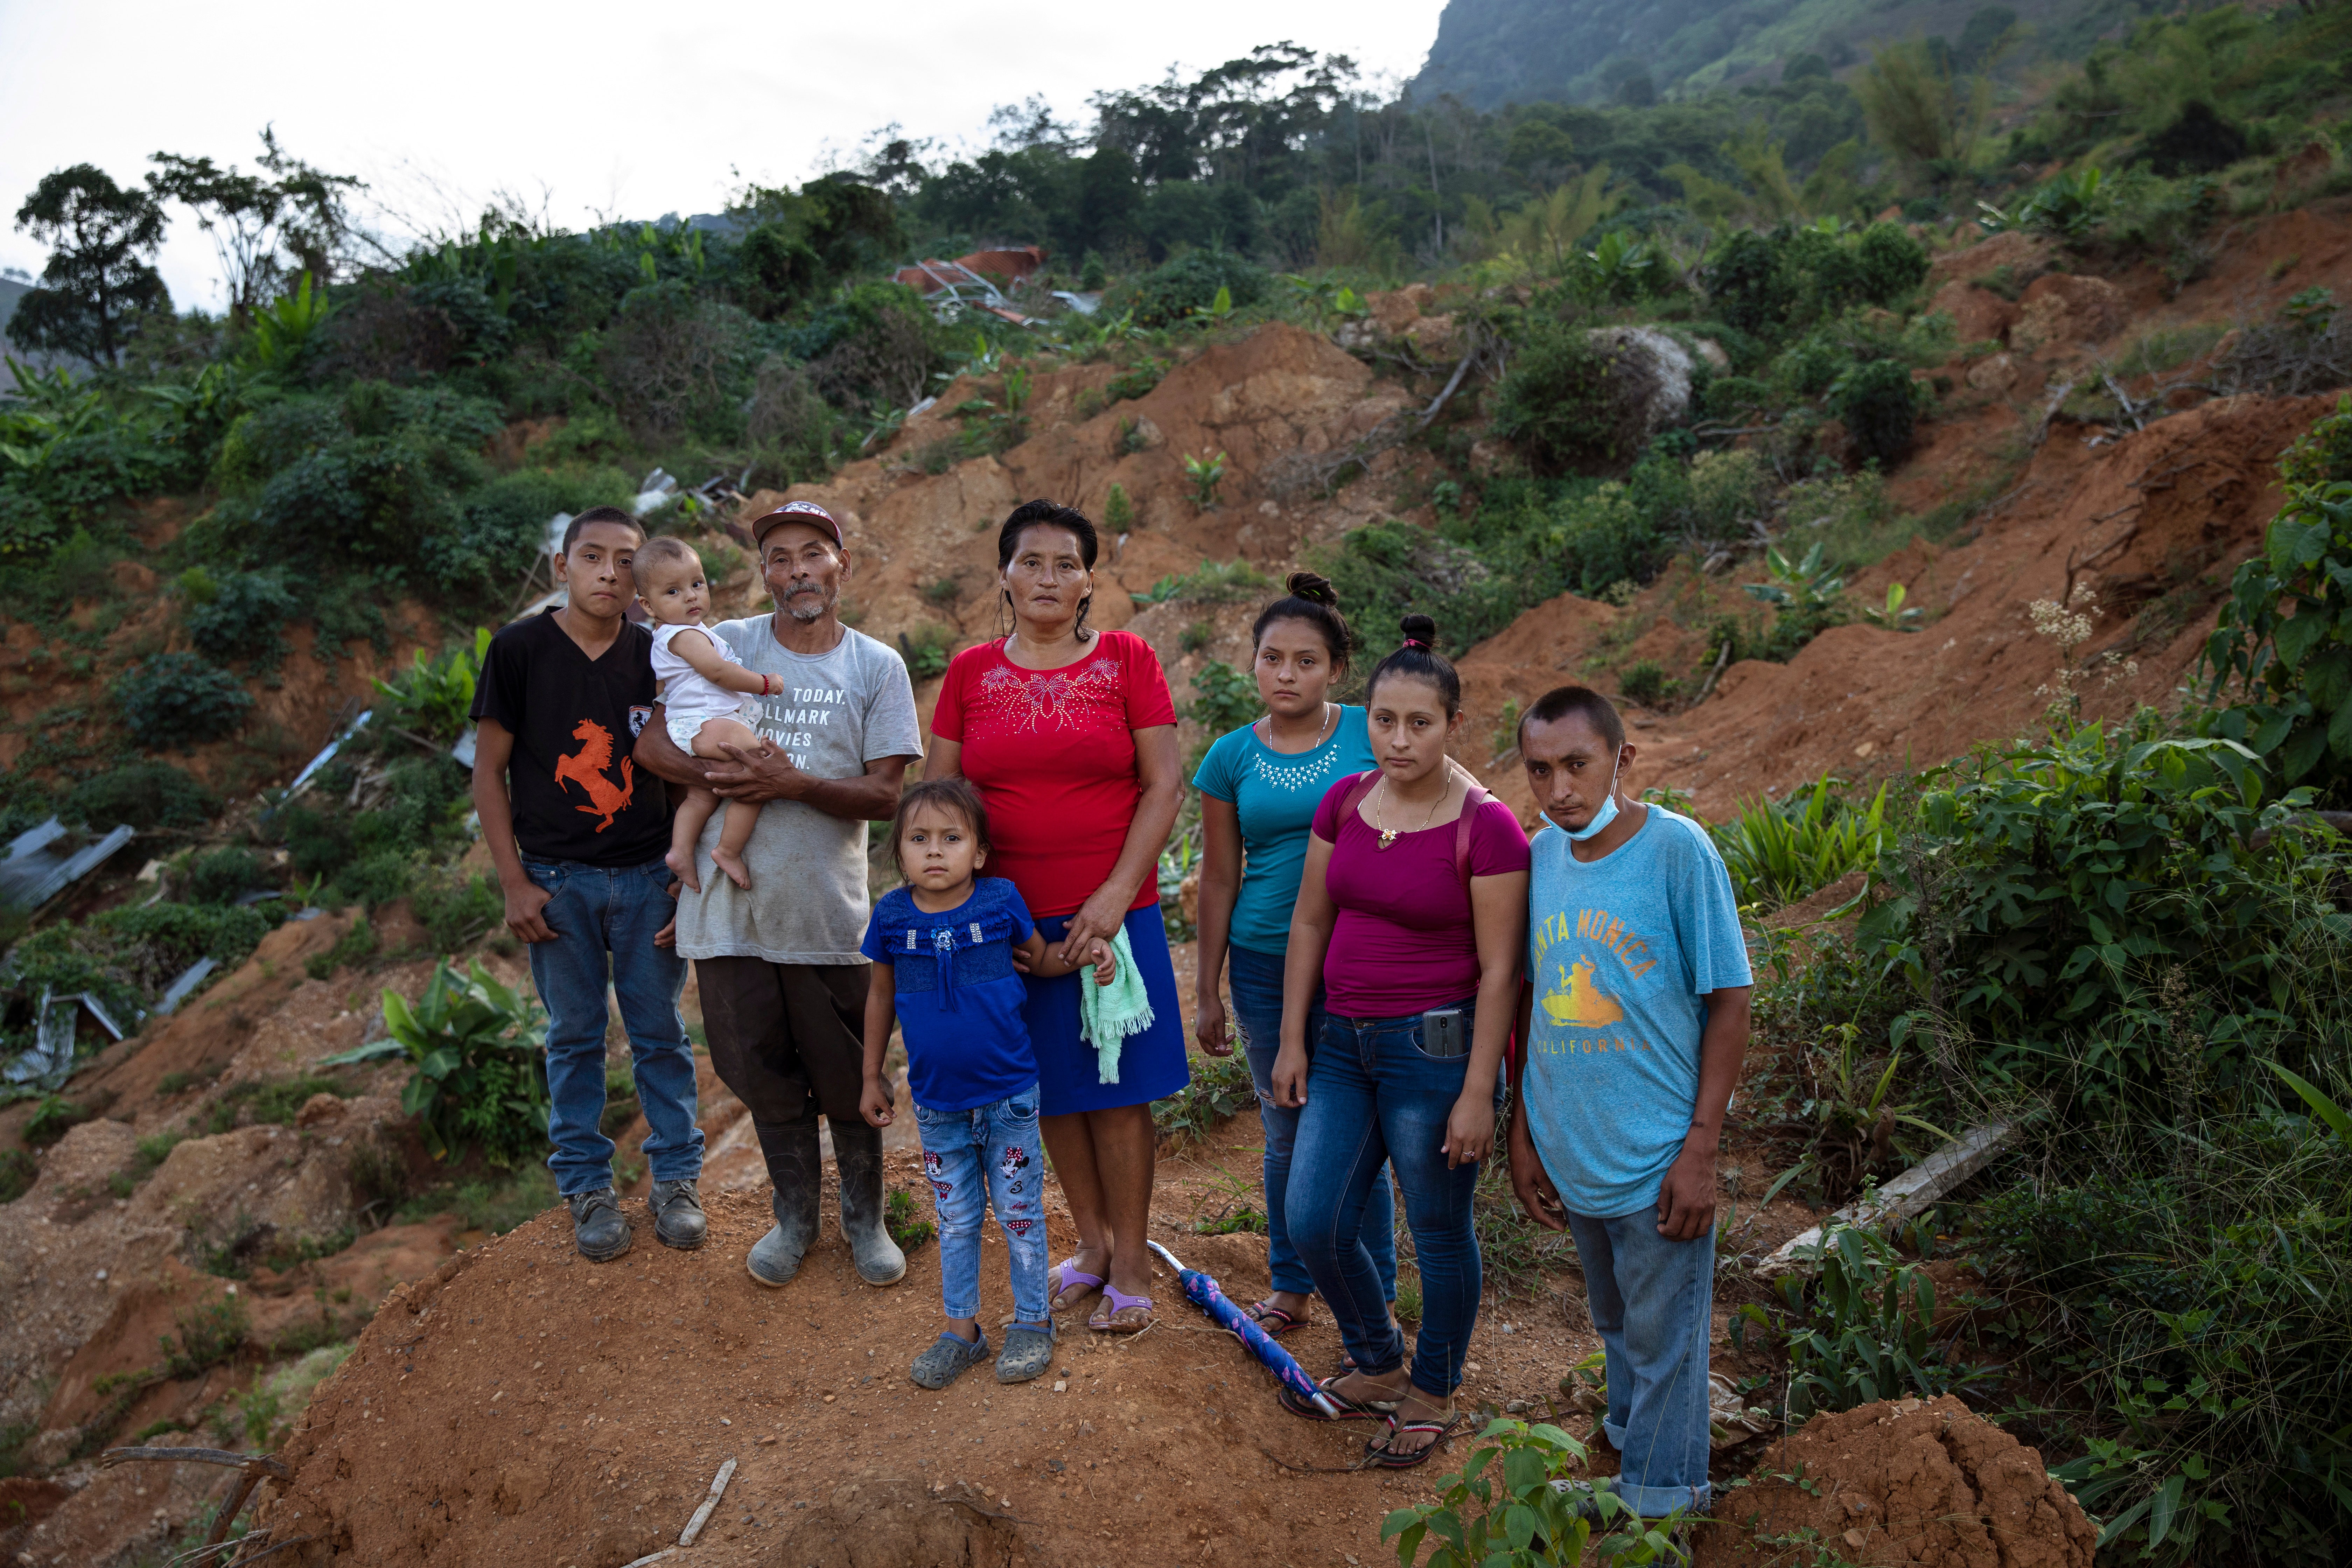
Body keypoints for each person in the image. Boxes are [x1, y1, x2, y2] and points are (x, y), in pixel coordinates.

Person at [633, 499, 924, 1290]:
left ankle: (865, 1220)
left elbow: (886, 796)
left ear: (842, 567)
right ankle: (795, 1219)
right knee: (758, 1069)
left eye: (812, 555)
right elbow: (653, 742)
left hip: (825, 913)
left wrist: (789, 783)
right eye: (780, 558)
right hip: (729, 919)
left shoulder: (875, 667)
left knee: (847, 1074)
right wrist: (722, 775)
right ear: (764, 573)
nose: (797, 571)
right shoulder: (723, 642)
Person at [1274, 614, 1530, 1468]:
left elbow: (1501, 973)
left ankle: (1434, 1386)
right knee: (1313, 1218)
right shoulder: (1344, 801)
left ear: (1455, 725)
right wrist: (1292, 1040)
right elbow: (1311, 921)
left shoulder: (1487, 828)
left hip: (1436, 1054)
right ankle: (1379, 1359)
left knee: (1438, 1226)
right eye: (1384, 719)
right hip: (1340, 1043)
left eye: (1420, 723)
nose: (1399, 738)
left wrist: (1475, 1092)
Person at [928, 498, 1188, 1333]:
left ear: (1089, 581)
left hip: (1115, 914)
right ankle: (1095, 1243)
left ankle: (1137, 1257)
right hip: (1009, 923)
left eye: (1066, 563)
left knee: (1117, 1088)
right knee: (1048, 1089)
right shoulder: (970, 673)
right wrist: (975, 909)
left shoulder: (1127, 660)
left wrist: (1114, 896)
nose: (1048, 577)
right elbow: (941, 797)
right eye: (1030, 561)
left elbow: (1164, 785)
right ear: (1003, 575)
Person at [1507, 684, 1752, 1522]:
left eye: (1578, 764)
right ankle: (1628, 1445)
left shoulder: (1678, 851)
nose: (1560, 789)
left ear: (1623, 759)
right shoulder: (1538, 860)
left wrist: (1701, 1148)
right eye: (1540, 771)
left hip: (1658, 1159)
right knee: (1615, 1321)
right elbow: (1529, 1002)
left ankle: (1662, 1511)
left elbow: (1729, 999)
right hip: (1575, 1149)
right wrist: (1524, 1132)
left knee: (1667, 1342)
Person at [470, 504, 705, 1262]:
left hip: (646, 875)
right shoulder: (520, 650)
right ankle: (587, 1186)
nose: (610, 572)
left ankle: (675, 1176)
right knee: (573, 1035)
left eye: (625, 559)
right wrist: (514, 881)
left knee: (660, 1031)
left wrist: (681, 868)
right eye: (593, 556)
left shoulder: (659, 652)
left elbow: (681, 763)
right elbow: (488, 771)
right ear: (561, 567)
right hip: (556, 880)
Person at [857, 777, 1115, 1390]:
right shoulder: (892, 915)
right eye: (919, 840)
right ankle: (962, 1332)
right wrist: (871, 1074)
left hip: (1010, 1096)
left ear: (978, 852)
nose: (935, 851)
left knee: (1020, 1212)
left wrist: (1090, 952)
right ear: (900, 855)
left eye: (951, 838)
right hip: (938, 1104)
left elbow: (1043, 960)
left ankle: (1033, 1322)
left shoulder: (999, 901)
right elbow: (880, 996)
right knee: (957, 1219)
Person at [1191, 572, 1397, 1337]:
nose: (1287, 674)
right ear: (1253, 663)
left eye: (1305, 660)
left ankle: (1372, 1295)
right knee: (1285, 1126)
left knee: (1357, 1131)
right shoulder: (1228, 757)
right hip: (1262, 962)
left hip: (1360, 960)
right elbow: (1219, 876)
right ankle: (1290, 1282)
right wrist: (1208, 988)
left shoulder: (1370, 734)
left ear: (1336, 668)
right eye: (1272, 658)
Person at [633, 535, 784, 894]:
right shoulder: (683, 636)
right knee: (761, 771)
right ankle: (728, 850)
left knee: (701, 795)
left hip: (694, 724)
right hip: (706, 722)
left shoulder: (687, 633)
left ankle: (680, 852)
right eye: (673, 592)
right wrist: (764, 683)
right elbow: (718, 673)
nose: (690, 596)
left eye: (697, 584)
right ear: (648, 605)